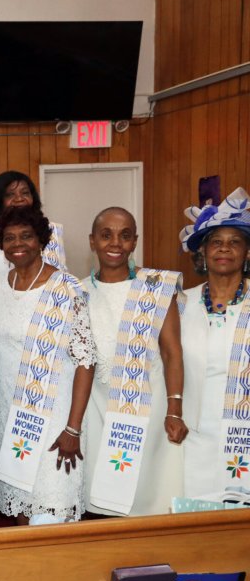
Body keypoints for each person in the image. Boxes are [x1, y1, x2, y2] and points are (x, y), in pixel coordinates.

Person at [0, 206, 96, 522]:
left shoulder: (67, 289)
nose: (18, 243)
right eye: (9, 238)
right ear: (1, 244)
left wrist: (72, 428)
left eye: (26, 236)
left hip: (55, 424)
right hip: (11, 419)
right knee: (22, 513)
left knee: (49, 516)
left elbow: (86, 361)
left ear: (41, 241)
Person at [81, 207, 186, 516]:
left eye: (125, 236)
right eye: (106, 235)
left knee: (146, 496)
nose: (116, 243)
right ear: (92, 241)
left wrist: (175, 409)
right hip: (95, 410)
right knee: (100, 497)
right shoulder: (79, 292)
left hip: (148, 411)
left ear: (135, 242)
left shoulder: (156, 286)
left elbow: (171, 352)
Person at [179, 187, 250, 498]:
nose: (225, 249)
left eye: (235, 242)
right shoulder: (181, 304)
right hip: (191, 438)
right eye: (216, 243)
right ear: (203, 253)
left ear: (247, 253)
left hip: (243, 437)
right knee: (195, 531)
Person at [0, 171, 66, 270]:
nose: (19, 199)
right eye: (10, 195)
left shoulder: (51, 229)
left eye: (25, 193)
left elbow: (59, 270)